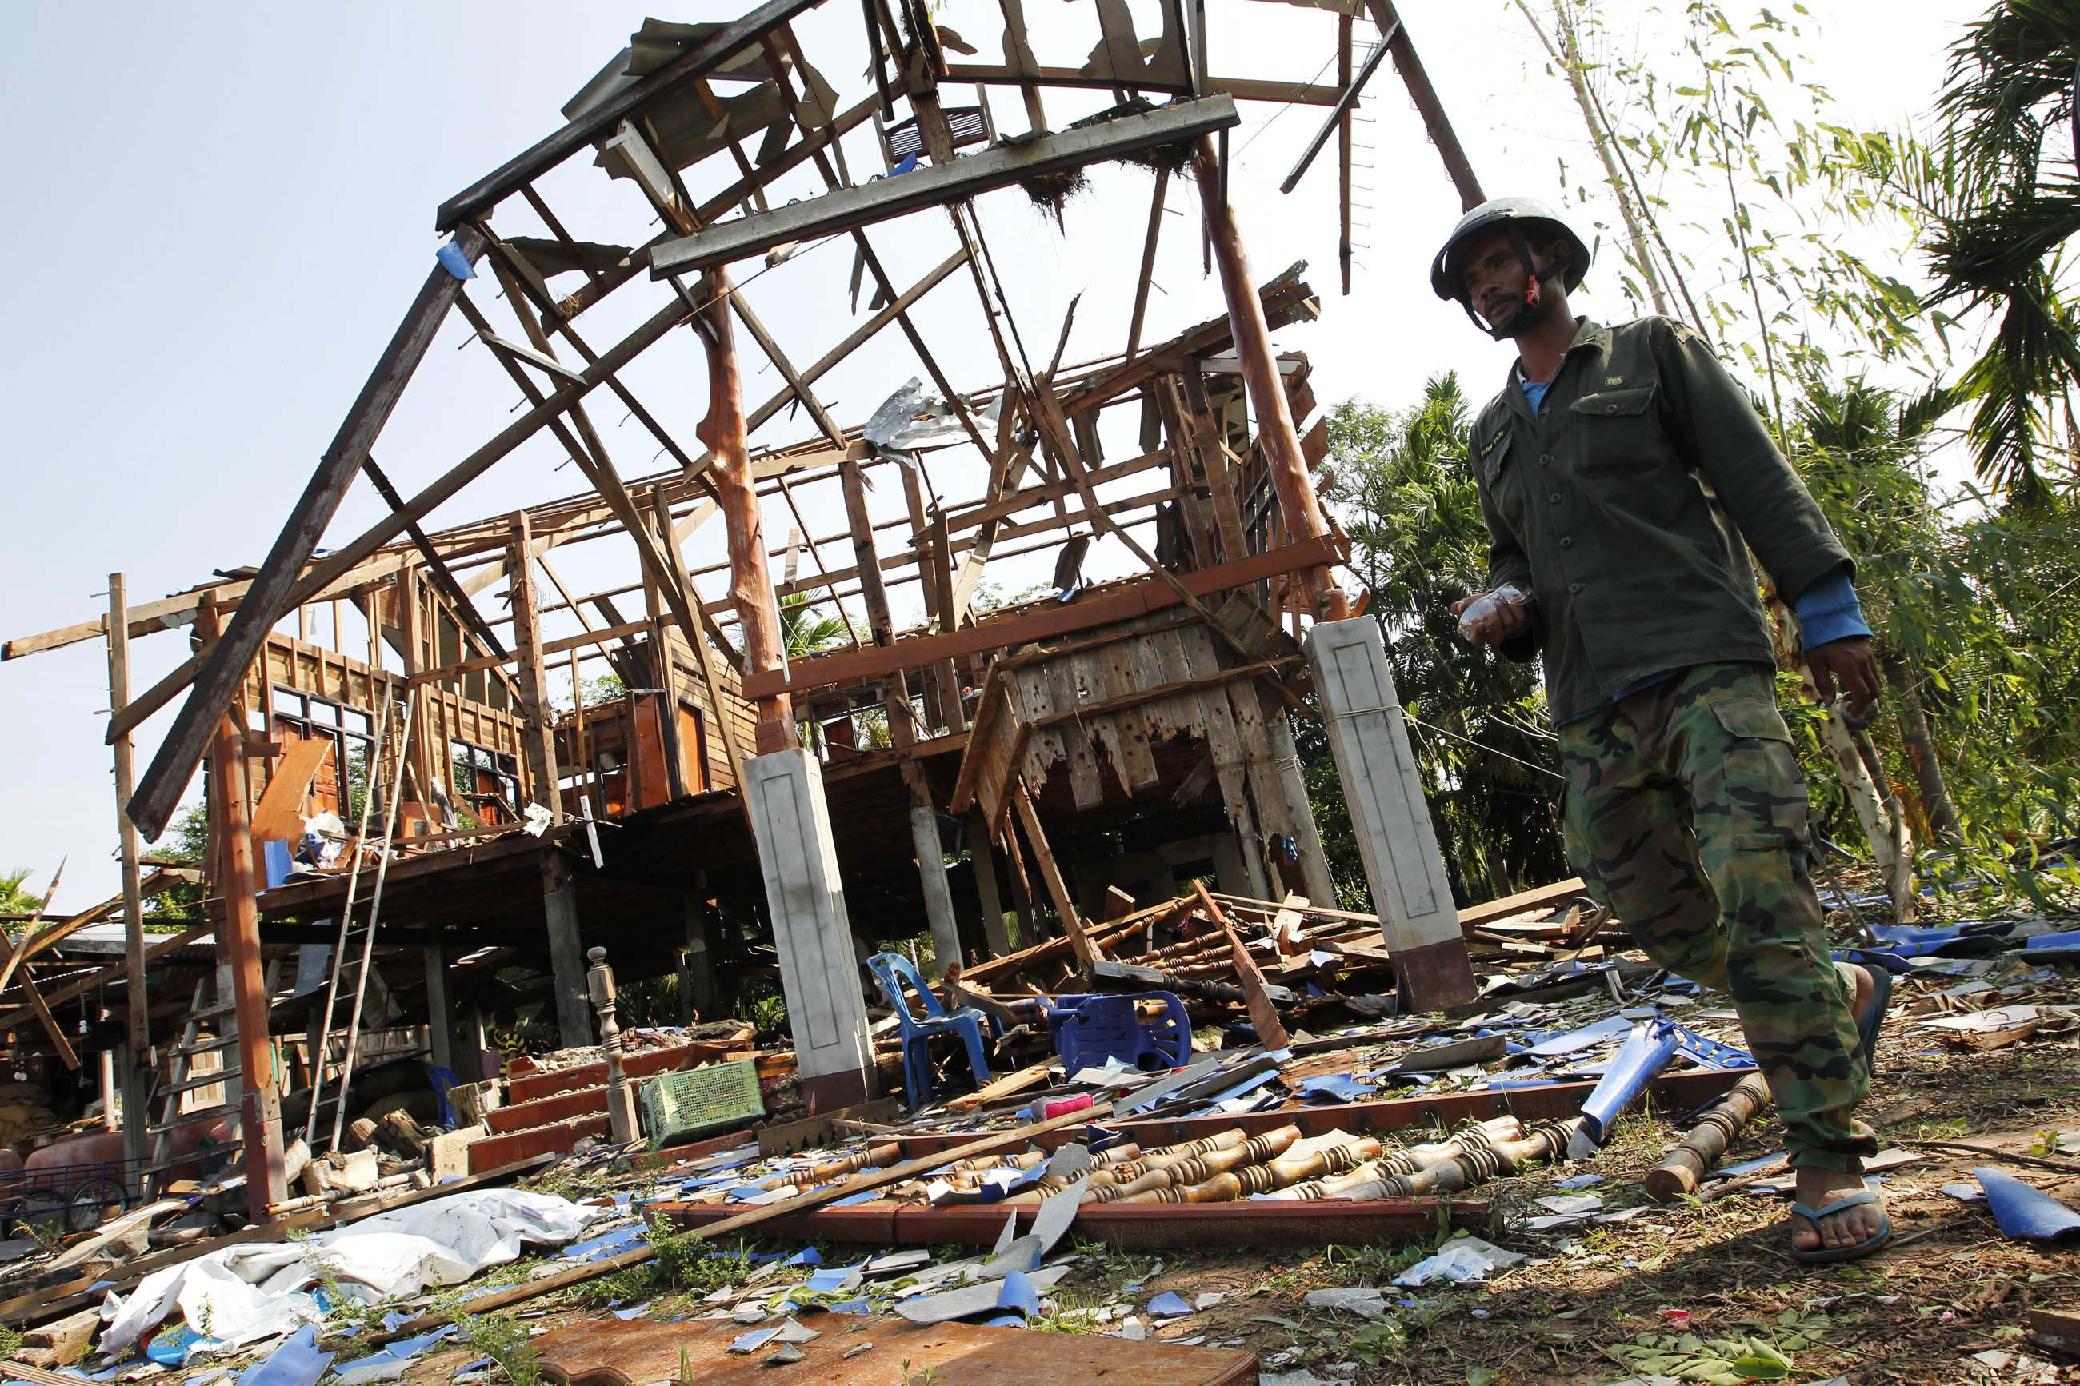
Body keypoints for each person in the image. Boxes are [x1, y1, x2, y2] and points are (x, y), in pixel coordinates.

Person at [1430, 198, 1894, 1263]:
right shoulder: (1493, 431)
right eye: (1468, 282)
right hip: (1589, 697)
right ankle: (1833, 996)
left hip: (1698, 663)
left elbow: (1752, 474)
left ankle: (1828, 1163)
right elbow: (1519, 560)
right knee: (1635, 890)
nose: (1484, 288)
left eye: (1496, 265)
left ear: (1546, 264)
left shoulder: (1647, 356)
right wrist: (1499, 604)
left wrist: (1825, 613)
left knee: (1758, 887)